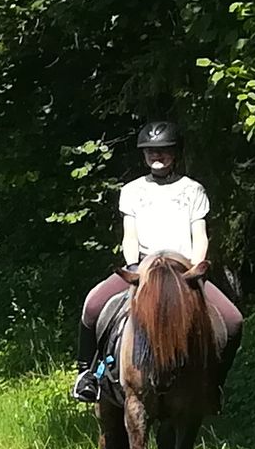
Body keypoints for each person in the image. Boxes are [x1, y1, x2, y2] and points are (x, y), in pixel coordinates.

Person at [72, 120, 245, 402]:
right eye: (151, 151)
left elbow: (200, 236)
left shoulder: (193, 190)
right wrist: (133, 266)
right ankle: (86, 375)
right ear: (143, 154)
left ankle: (213, 385)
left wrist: (194, 270)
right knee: (92, 305)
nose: (157, 155)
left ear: (175, 154)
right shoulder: (132, 191)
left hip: (182, 270)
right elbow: (130, 235)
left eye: (163, 150)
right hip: (143, 267)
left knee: (233, 320)